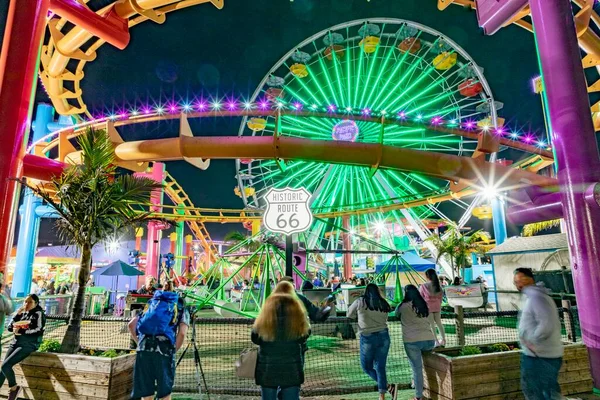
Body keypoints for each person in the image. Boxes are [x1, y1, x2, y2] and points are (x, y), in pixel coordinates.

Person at [129, 287, 189, 400]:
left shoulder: (152, 303)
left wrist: (138, 343)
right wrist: (173, 349)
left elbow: (131, 324)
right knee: (164, 393)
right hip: (164, 351)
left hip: (143, 350)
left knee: (146, 392)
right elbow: (182, 333)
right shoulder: (180, 306)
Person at [251, 288, 310, 400]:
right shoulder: (297, 324)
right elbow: (305, 336)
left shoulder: (263, 323)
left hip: (268, 370)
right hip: (291, 370)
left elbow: (255, 338)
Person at [513, 268, 563, 400]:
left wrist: (532, 342)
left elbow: (547, 325)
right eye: (516, 281)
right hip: (542, 355)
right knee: (548, 391)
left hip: (539, 356)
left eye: (520, 280)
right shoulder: (536, 297)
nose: (518, 284)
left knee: (534, 391)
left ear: (530, 279)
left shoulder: (536, 298)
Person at [347, 283, 394, 400]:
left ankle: (387, 387)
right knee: (380, 367)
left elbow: (349, 314)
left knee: (367, 367)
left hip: (367, 336)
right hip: (384, 335)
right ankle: (382, 395)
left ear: (366, 291)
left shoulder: (360, 302)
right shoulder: (383, 303)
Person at [1, 294, 45, 400]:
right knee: (3, 370)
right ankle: (14, 390)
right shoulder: (22, 312)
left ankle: (14, 388)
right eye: (25, 301)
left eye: (30, 302)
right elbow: (10, 328)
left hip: (30, 344)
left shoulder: (38, 313)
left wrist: (22, 331)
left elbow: (39, 330)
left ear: (36, 303)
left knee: (5, 366)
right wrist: (17, 315)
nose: (26, 304)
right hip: (16, 342)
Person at [395, 285, 436, 400]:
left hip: (412, 341)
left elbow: (396, 314)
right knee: (428, 367)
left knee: (417, 369)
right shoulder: (423, 304)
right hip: (429, 340)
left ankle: (418, 396)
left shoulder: (402, 307)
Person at [419, 269, 445, 347]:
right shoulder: (438, 286)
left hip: (428, 307)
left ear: (427, 276)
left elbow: (421, 297)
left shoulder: (423, 286)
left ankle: (436, 341)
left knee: (431, 325)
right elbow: (441, 298)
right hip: (437, 306)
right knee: (439, 323)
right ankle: (443, 340)